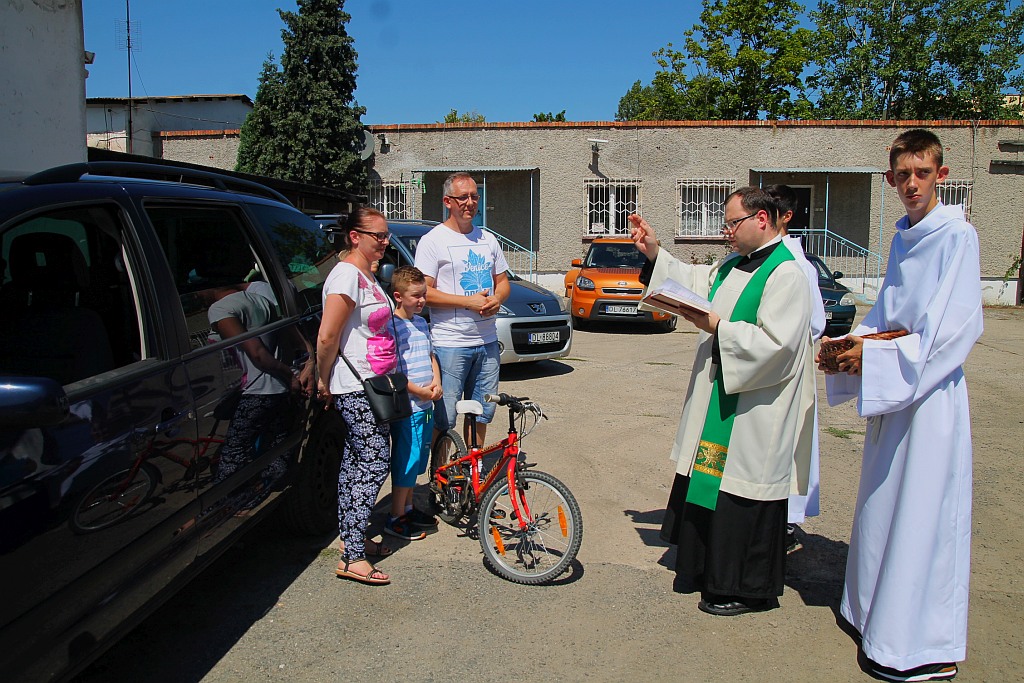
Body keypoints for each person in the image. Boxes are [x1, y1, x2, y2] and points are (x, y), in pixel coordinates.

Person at [820, 129, 982, 682]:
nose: (912, 184)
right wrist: (850, 346)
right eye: (903, 175)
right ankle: (871, 614)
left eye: (923, 173)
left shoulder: (958, 237)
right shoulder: (902, 238)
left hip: (930, 396)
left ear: (941, 175)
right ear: (890, 179)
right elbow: (888, 313)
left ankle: (916, 646)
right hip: (895, 390)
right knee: (883, 504)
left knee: (922, 514)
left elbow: (953, 330)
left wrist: (877, 355)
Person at [633, 186, 816, 617]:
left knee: (742, 493)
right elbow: (695, 283)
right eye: (726, 223)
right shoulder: (733, 264)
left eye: (733, 223)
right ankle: (704, 571)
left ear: (762, 220)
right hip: (721, 397)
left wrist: (718, 327)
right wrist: (655, 252)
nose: (726, 232)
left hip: (755, 409)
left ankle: (746, 588)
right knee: (711, 481)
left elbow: (779, 346)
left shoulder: (787, 274)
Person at [317, 207, 397, 586]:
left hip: (372, 383)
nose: (385, 242)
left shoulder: (366, 274)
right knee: (374, 461)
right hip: (355, 385)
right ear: (354, 236)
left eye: (386, 235)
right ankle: (351, 557)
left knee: (355, 462)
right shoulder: (346, 275)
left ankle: (353, 537)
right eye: (378, 236)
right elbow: (327, 336)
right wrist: (323, 380)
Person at [414, 172, 510, 446]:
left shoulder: (487, 239)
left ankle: (472, 467)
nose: (470, 203)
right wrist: (467, 302)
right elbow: (424, 292)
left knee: (481, 413)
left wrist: (497, 299)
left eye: (474, 197)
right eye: (463, 197)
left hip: (487, 342)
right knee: (444, 417)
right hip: (450, 344)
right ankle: (440, 467)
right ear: (448, 201)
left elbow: (503, 282)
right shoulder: (433, 241)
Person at [764, 184, 826, 554]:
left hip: (786, 372)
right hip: (761, 370)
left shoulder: (797, 266)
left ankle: (784, 523)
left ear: (787, 216)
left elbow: (816, 322)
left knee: (785, 448)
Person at [384, 266, 443, 541]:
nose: (421, 300)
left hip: (425, 405)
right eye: (415, 296)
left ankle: (407, 508)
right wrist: (419, 391)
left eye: (424, 295)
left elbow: (431, 356)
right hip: (409, 406)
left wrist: (436, 381)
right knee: (406, 460)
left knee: (418, 458)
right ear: (398, 296)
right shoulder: (392, 326)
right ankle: (396, 516)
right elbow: (393, 369)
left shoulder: (421, 322)